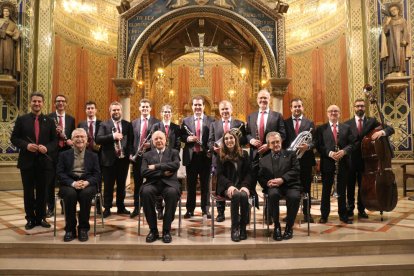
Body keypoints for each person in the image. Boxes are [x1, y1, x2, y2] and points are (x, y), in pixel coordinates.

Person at [10, 92, 57, 230]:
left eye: (39, 101)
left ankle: (41, 217)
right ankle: (30, 218)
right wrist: (26, 145)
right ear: (30, 103)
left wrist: (46, 148)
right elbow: (14, 138)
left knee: (43, 192)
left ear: (43, 103)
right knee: (28, 192)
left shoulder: (49, 121)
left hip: (44, 162)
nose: (37, 104)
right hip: (27, 162)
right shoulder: (22, 119)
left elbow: (55, 141)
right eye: (34, 101)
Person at [344, 99, 394, 220]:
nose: (360, 108)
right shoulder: (347, 124)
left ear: (364, 107)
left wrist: (381, 132)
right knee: (350, 186)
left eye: (362, 106)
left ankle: (361, 210)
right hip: (351, 160)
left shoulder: (372, 121)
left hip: (367, 162)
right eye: (357, 106)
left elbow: (390, 129)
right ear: (354, 107)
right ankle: (350, 209)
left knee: (364, 186)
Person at [246, 89, 286, 222]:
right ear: (257, 100)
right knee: (250, 186)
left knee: (270, 186)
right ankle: (247, 216)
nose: (263, 100)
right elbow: (247, 133)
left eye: (265, 98)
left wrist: (269, 145)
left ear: (269, 100)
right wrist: (251, 140)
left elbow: (283, 135)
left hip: (271, 157)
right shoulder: (251, 116)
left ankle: (269, 215)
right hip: (254, 157)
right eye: (260, 98)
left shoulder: (277, 116)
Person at [56, 128, 101, 242]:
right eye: (77, 137)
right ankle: (70, 229)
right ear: (72, 140)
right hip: (69, 183)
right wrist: (73, 183)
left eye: (82, 137)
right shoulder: (63, 155)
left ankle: (83, 228)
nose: (80, 139)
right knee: (70, 195)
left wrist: (87, 182)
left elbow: (97, 175)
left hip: (87, 183)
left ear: (87, 140)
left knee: (85, 195)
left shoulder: (93, 156)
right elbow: (60, 173)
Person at [315, 105, 355, 224]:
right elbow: (318, 146)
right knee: (326, 191)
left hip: (343, 164)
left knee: (342, 191)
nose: (333, 113)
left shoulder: (346, 128)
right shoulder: (321, 129)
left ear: (339, 113)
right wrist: (329, 153)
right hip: (327, 163)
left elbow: (352, 144)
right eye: (331, 111)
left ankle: (343, 215)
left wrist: (344, 151)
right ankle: (324, 215)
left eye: (336, 111)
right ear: (327, 113)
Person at [208, 100, 246, 222]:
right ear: (220, 111)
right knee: (220, 182)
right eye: (222, 109)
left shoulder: (239, 123)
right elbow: (210, 140)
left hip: (235, 158)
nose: (225, 111)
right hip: (219, 158)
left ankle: (239, 211)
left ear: (231, 110)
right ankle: (220, 212)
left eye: (227, 109)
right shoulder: (214, 124)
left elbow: (244, 140)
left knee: (237, 181)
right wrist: (213, 147)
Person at [258, 132, 301, 241]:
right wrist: (267, 183)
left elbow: (296, 170)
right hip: (274, 187)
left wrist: (282, 179)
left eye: (278, 141)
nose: (276, 144)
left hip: (291, 185)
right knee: (272, 194)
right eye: (273, 143)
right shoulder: (263, 160)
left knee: (294, 197)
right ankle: (276, 226)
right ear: (268, 145)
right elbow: (261, 176)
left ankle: (289, 227)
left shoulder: (291, 154)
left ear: (281, 142)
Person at [141, 131, 181, 243]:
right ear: (153, 142)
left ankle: (166, 230)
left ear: (165, 140)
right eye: (156, 139)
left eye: (161, 138)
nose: (159, 140)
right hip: (152, 184)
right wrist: (162, 173)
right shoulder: (146, 155)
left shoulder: (173, 152)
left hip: (170, 184)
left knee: (172, 193)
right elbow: (144, 172)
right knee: (146, 192)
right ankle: (153, 230)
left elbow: (175, 165)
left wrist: (155, 166)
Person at [96, 101, 133, 218]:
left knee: (122, 185)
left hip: (123, 160)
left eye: (118, 110)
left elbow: (131, 142)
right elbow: (98, 139)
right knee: (108, 185)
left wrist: (130, 154)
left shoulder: (128, 125)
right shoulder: (104, 124)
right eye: (114, 110)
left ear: (121, 111)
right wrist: (113, 136)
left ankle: (121, 207)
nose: (116, 112)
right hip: (108, 160)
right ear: (110, 111)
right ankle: (107, 208)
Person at [283, 98, 316, 223]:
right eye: (294, 106)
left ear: (303, 107)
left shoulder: (310, 123)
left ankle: (307, 213)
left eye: (299, 106)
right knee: (289, 188)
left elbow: (315, 141)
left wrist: (308, 146)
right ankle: (290, 214)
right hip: (289, 162)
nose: (297, 108)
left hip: (305, 160)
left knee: (306, 188)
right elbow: (283, 140)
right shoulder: (285, 123)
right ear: (291, 108)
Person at [181, 95, 214, 219]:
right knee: (191, 185)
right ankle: (190, 210)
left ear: (204, 106)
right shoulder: (185, 121)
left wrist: (209, 149)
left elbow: (213, 137)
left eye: (200, 105)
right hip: (192, 156)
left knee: (206, 185)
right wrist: (188, 138)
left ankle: (206, 210)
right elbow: (181, 138)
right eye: (195, 105)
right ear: (192, 106)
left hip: (206, 156)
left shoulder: (211, 120)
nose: (197, 107)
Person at [216, 131, 251, 242]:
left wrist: (245, 186)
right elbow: (220, 175)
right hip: (226, 187)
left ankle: (243, 228)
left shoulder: (244, 154)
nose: (229, 140)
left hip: (242, 186)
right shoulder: (220, 155)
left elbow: (249, 173)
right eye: (226, 139)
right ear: (223, 141)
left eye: (231, 138)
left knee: (244, 196)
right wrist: (230, 186)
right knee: (236, 195)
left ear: (235, 140)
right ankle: (235, 228)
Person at [130, 99, 160, 218]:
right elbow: (131, 141)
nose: (145, 109)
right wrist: (132, 154)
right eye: (143, 107)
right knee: (137, 184)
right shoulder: (134, 123)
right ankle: (137, 207)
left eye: (147, 107)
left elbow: (159, 139)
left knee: (151, 183)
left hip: (151, 158)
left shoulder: (157, 122)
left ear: (150, 108)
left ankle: (151, 207)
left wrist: (150, 145)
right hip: (138, 157)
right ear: (139, 108)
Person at [150, 104, 181, 220]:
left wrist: (170, 156)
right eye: (165, 112)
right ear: (161, 114)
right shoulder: (155, 126)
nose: (167, 114)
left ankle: (169, 207)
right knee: (158, 183)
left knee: (170, 185)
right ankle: (159, 209)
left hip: (171, 161)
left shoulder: (176, 127)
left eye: (169, 112)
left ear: (171, 114)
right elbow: (152, 143)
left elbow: (178, 144)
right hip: (157, 160)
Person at [47, 94, 76, 217]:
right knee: (50, 181)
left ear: (66, 103)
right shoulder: (49, 118)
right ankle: (51, 208)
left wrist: (69, 140)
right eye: (58, 101)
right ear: (55, 103)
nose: (60, 103)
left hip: (66, 153)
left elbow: (73, 135)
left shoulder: (71, 119)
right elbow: (46, 135)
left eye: (63, 101)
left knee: (65, 180)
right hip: (52, 153)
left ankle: (65, 206)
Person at [78, 101, 102, 213]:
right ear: (85, 110)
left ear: (96, 110)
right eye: (88, 108)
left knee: (98, 179)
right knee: (85, 177)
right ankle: (84, 201)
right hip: (84, 156)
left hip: (98, 155)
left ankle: (98, 204)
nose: (90, 110)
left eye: (92, 108)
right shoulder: (81, 124)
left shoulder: (102, 123)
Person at [381, 3, 411, 76]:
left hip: (400, 41)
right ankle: (392, 70)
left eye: (394, 10)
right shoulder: (389, 20)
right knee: (391, 56)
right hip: (391, 42)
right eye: (391, 11)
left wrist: (405, 39)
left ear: (398, 10)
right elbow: (385, 31)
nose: (393, 11)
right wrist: (387, 23)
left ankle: (400, 70)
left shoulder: (402, 20)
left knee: (400, 55)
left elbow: (406, 31)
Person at [0, 6, 19, 77]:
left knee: (8, 57)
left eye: (7, 11)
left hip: (9, 43)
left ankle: (8, 73)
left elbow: (16, 35)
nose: (6, 12)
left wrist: (13, 34)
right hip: (1, 43)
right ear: (2, 12)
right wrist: (5, 32)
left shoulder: (13, 24)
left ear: (10, 12)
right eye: (4, 11)